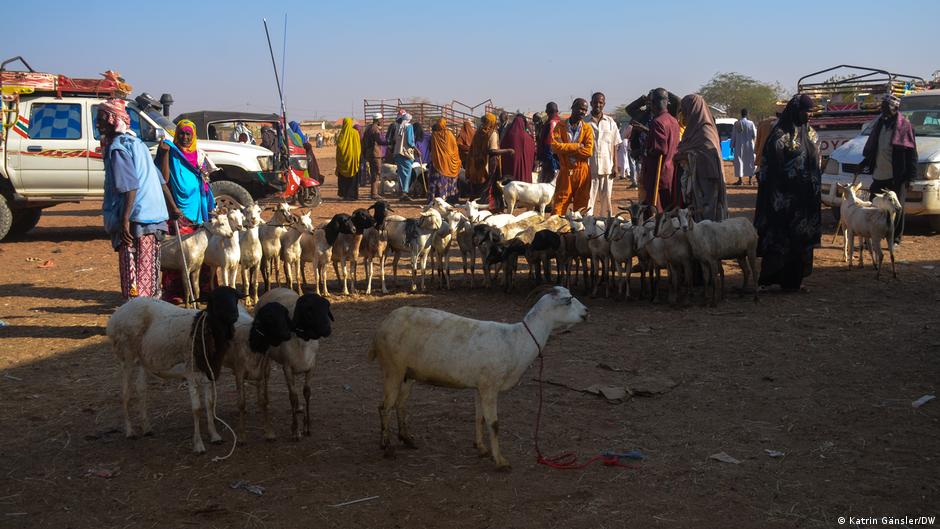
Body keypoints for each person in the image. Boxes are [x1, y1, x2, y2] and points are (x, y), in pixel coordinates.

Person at [98, 99, 169, 300]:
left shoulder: (119, 148)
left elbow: (129, 187)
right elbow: (161, 180)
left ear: (113, 121)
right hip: (152, 218)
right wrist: (171, 209)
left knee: (134, 279)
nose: (98, 124)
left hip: (136, 219)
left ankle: (140, 319)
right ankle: (149, 314)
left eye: (101, 119)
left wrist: (124, 221)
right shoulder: (137, 144)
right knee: (148, 274)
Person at [753, 94, 821, 292]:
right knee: (781, 241)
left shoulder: (812, 135)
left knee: (801, 242)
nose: (809, 116)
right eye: (806, 111)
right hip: (783, 203)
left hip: (805, 203)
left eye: (811, 112)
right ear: (796, 111)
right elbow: (769, 169)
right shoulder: (780, 136)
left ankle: (794, 281)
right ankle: (772, 278)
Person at [156, 118, 217, 303]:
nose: (184, 137)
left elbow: (207, 182)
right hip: (180, 213)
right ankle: (177, 293)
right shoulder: (172, 153)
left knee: (202, 254)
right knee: (178, 253)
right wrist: (164, 154)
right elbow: (164, 178)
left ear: (193, 136)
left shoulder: (199, 156)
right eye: (181, 133)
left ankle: (204, 290)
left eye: (188, 134)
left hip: (199, 212)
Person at [860, 94, 917, 245]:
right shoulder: (880, 125)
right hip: (879, 173)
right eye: (882, 107)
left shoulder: (905, 127)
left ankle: (895, 239)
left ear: (895, 108)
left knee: (896, 209)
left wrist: (911, 178)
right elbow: (874, 149)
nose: (883, 110)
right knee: (873, 205)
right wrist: (863, 163)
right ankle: (871, 236)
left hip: (896, 175)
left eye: (886, 107)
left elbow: (912, 155)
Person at [674, 94, 728, 221]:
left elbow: (707, 156)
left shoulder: (705, 131)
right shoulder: (694, 130)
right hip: (696, 181)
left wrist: (684, 156)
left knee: (707, 215)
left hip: (706, 181)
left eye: (685, 110)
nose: (684, 115)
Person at [550, 98, 594, 216]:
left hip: (582, 172)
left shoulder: (587, 129)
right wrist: (577, 146)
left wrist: (565, 149)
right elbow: (555, 147)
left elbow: (588, 151)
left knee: (581, 208)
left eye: (585, 110)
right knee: (558, 207)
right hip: (565, 172)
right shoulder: (560, 126)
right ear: (572, 108)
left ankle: (578, 233)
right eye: (580, 108)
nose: (582, 112)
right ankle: (556, 233)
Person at [639, 88, 681, 210]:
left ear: (654, 103)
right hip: (670, 169)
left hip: (658, 171)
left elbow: (660, 150)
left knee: (656, 207)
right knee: (668, 204)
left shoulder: (657, 122)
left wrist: (645, 151)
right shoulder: (673, 120)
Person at [585, 92, 621, 216]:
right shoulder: (584, 122)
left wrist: (615, 165)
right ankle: (587, 227)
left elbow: (615, 145)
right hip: (590, 168)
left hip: (607, 168)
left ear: (604, 104)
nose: (598, 105)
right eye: (595, 102)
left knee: (606, 201)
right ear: (591, 103)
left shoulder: (611, 122)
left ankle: (605, 228)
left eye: (600, 102)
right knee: (588, 200)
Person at [467, 113, 513, 209]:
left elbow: (472, 148)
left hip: (477, 165)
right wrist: (508, 150)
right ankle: (490, 207)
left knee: (479, 186)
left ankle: (476, 206)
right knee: (490, 185)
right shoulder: (492, 133)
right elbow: (492, 150)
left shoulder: (478, 132)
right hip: (489, 163)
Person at [428, 117, 462, 203]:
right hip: (451, 162)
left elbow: (430, 148)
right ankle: (450, 199)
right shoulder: (450, 134)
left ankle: (436, 199)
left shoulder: (434, 135)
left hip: (438, 162)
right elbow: (455, 149)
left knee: (437, 180)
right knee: (450, 180)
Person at [500, 114, 536, 183]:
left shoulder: (507, 137)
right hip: (525, 177)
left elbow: (502, 152)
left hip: (510, 176)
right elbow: (533, 154)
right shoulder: (529, 138)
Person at [362, 113, 388, 198]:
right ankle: (374, 193)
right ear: (378, 120)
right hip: (375, 154)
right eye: (381, 120)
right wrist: (390, 142)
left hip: (369, 153)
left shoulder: (368, 128)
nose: (382, 121)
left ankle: (374, 192)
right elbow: (379, 141)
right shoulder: (375, 129)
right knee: (376, 173)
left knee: (374, 172)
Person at [335, 117, 362, 200]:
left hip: (343, 160)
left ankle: (344, 194)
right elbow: (358, 147)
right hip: (353, 159)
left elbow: (339, 147)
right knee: (353, 178)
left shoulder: (341, 134)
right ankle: (352, 195)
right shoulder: (355, 133)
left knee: (343, 179)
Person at [393, 113, 418, 200]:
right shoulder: (409, 127)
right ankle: (405, 193)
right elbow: (410, 141)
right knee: (407, 174)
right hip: (406, 153)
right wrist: (416, 150)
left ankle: (402, 192)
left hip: (398, 153)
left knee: (401, 174)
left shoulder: (398, 127)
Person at [732, 108, 757, 185]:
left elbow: (733, 136)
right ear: (747, 114)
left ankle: (740, 181)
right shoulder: (751, 123)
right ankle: (750, 180)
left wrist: (732, 146)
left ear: (741, 114)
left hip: (739, 145)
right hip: (749, 145)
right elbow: (754, 135)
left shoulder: (737, 123)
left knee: (739, 162)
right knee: (750, 161)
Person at [537, 102, 561, 183]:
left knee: (549, 184)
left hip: (551, 159)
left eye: (547, 109)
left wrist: (546, 161)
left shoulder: (551, 123)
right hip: (560, 158)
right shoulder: (561, 122)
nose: (546, 111)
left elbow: (548, 144)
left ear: (549, 111)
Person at [618, 121, 636, 186]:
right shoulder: (640, 126)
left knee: (630, 162)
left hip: (629, 144)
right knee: (629, 161)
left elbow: (625, 136)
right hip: (633, 145)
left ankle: (633, 179)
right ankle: (630, 175)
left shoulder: (629, 127)